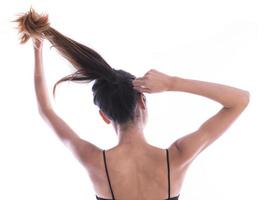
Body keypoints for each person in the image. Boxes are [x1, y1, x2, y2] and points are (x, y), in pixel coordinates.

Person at [14, 8, 250, 200]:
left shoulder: (94, 161)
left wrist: (38, 47)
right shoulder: (177, 157)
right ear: (143, 101)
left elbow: (46, 111)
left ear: (105, 116)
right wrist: (172, 83)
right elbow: (240, 100)